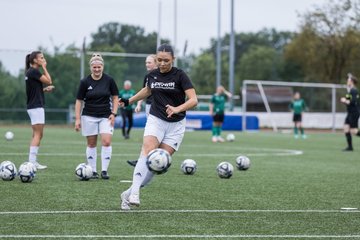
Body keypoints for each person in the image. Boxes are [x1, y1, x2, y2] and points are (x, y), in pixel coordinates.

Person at [119, 43, 198, 210]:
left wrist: (177, 108)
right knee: (147, 152)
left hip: (176, 126)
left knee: (157, 164)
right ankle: (134, 194)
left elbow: (193, 99)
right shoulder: (152, 75)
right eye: (159, 60)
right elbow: (147, 91)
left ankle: (128, 193)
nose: (162, 63)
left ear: (173, 59)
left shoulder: (180, 75)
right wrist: (128, 101)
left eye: (166, 60)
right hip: (156, 120)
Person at [74, 53, 119, 179]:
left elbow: (115, 97)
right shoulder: (85, 82)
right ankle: (93, 171)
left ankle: (104, 170)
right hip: (88, 116)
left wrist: (114, 113)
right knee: (92, 144)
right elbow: (79, 101)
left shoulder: (109, 80)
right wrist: (77, 119)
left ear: (102, 67)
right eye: (94, 67)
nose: (97, 69)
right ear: (91, 67)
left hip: (106, 115)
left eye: (99, 67)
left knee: (106, 141)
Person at [25, 51, 54, 170]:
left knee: (37, 134)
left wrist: (44, 90)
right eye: (41, 58)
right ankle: (31, 163)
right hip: (36, 107)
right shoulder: (34, 71)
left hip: (34, 106)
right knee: (38, 134)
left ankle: (33, 161)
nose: (43, 59)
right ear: (35, 60)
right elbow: (49, 80)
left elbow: (34, 91)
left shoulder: (31, 72)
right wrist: (44, 67)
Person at [127, 54, 157, 167]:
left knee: (154, 133)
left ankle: (147, 158)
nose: (147, 64)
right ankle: (143, 158)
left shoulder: (162, 75)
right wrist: (139, 104)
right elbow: (144, 91)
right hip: (149, 106)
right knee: (149, 132)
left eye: (149, 62)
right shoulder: (147, 76)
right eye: (146, 62)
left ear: (156, 63)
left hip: (159, 107)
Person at [340, 73, 360, 151]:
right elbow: (348, 100)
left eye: (348, 80)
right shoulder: (350, 91)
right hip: (350, 113)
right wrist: (345, 100)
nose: (347, 81)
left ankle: (350, 147)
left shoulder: (354, 90)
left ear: (352, 82)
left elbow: (353, 102)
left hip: (354, 112)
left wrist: (344, 100)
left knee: (354, 131)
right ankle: (350, 147)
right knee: (346, 128)